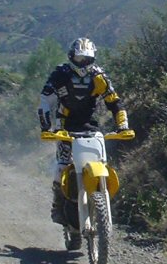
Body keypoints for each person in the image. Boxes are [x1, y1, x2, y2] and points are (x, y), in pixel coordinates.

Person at [38, 37, 129, 235]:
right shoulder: (60, 74)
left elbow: (114, 102)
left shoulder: (99, 76)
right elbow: (45, 99)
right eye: (79, 58)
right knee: (62, 166)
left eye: (86, 59)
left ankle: (99, 202)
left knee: (101, 161)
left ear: (93, 59)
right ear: (71, 57)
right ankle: (57, 204)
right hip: (64, 126)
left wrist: (123, 126)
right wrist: (46, 126)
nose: (82, 63)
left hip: (90, 126)